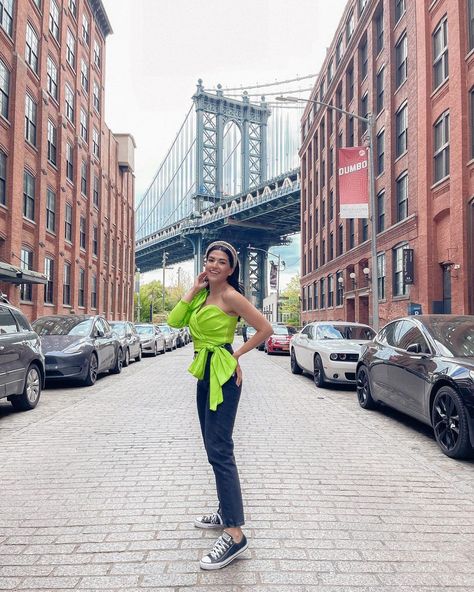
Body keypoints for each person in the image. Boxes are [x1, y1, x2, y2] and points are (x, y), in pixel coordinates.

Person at [168, 240, 272, 570]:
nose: (214, 265)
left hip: (223, 376)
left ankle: (235, 533)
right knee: (212, 449)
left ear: (230, 269)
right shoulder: (201, 295)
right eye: (209, 259)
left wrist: (234, 354)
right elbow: (173, 322)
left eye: (221, 262)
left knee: (221, 451)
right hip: (204, 374)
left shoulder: (230, 296)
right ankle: (224, 510)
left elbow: (265, 329)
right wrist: (192, 289)